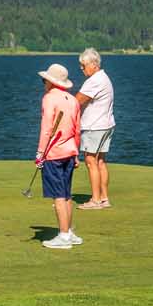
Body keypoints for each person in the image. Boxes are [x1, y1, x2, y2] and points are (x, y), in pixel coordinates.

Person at [35, 63, 82, 249]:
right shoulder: (73, 100)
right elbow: (78, 131)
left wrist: (40, 153)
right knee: (66, 193)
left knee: (59, 196)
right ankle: (68, 232)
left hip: (54, 153)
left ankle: (63, 236)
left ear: (50, 82)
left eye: (44, 80)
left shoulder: (49, 98)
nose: (43, 83)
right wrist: (77, 153)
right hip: (70, 152)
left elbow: (46, 129)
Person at [75, 48, 115, 209]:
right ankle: (104, 198)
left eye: (83, 65)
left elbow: (77, 101)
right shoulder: (103, 77)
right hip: (106, 125)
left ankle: (96, 200)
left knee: (91, 161)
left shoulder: (94, 81)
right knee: (100, 162)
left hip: (94, 127)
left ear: (93, 64)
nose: (81, 68)